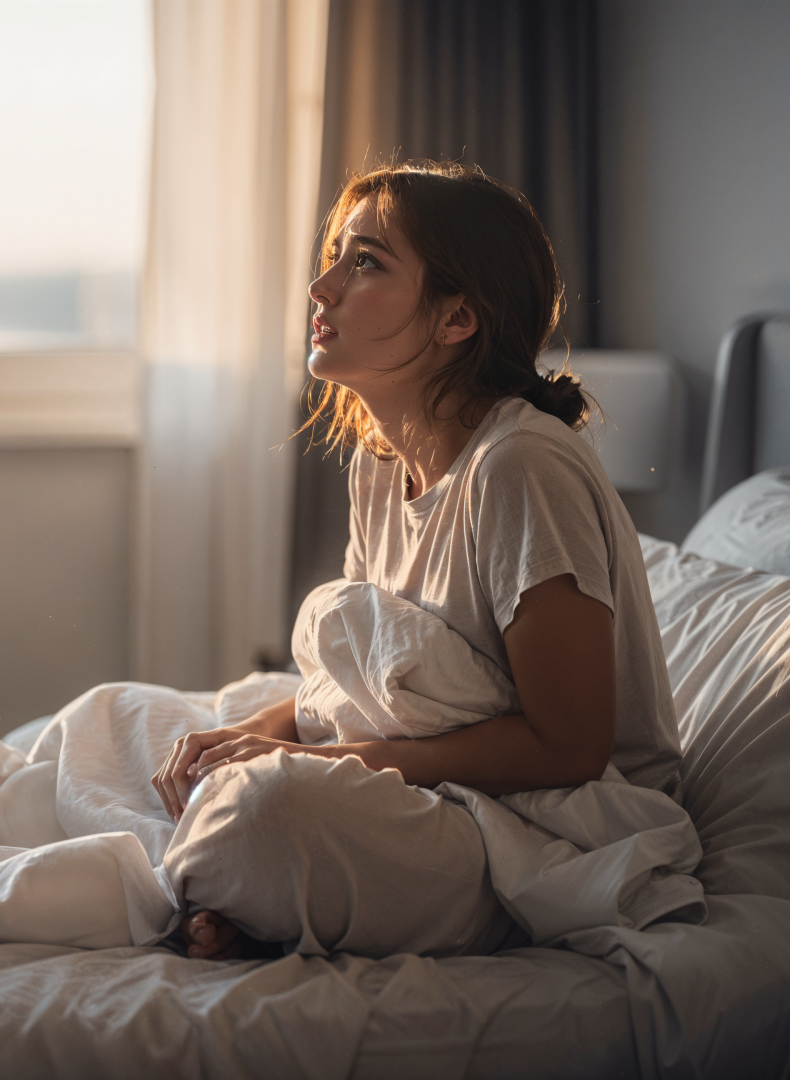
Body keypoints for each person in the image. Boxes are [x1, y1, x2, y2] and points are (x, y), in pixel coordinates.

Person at [149, 162, 681, 961]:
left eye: (364, 262)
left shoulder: (522, 468)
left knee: (262, 813)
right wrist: (251, 734)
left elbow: (569, 748)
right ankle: (256, 889)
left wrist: (320, 764)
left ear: (456, 318)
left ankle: (251, 887)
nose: (320, 288)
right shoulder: (378, 460)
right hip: (427, 784)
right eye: (335, 255)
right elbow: (363, 684)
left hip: (543, 824)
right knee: (131, 724)